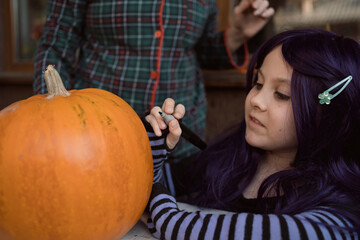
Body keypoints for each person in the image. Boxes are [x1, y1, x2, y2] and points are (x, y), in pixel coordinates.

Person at [143, 29, 360, 239]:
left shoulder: (340, 215)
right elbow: (135, 188)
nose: (255, 100)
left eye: (281, 94)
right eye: (259, 83)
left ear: (331, 114)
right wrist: (153, 143)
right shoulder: (226, 159)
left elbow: (178, 227)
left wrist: (160, 212)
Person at [33, 0, 275, 162]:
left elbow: (199, 50)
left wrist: (237, 34)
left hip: (181, 143)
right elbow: (56, 45)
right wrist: (54, 123)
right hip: (98, 140)